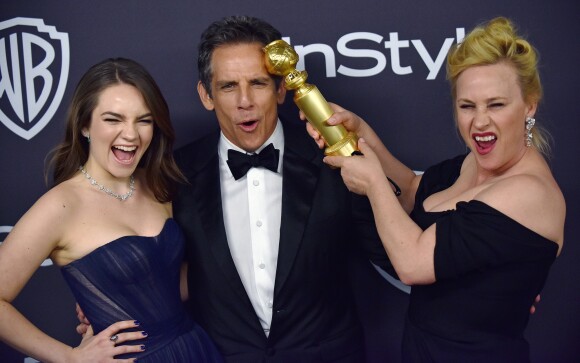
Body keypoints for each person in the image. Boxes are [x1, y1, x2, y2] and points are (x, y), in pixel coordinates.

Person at [309, 17, 565, 362]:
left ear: (529, 105)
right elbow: (415, 190)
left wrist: (372, 184)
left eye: (496, 104)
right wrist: (362, 135)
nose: (480, 122)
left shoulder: (528, 192)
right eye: (467, 106)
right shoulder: (475, 163)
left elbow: (413, 263)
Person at [170, 15, 388, 362]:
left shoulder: (333, 160)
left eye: (258, 83)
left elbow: (394, 255)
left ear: (281, 89)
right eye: (228, 86)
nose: (245, 101)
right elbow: (148, 264)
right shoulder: (175, 174)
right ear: (206, 95)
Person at [0, 58, 223, 362]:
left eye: (143, 120)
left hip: (195, 349)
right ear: (84, 125)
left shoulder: (157, 186)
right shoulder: (61, 206)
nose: (131, 135)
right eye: (113, 119)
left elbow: (173, 285)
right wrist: (68, 358)